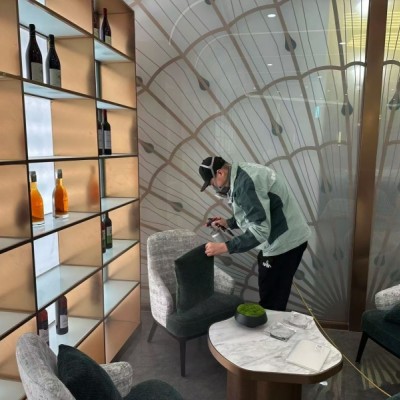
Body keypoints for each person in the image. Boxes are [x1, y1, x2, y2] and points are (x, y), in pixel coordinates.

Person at [198, 156, 311, 311]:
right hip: (284, 236)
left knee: (271, 301)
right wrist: (228, 222)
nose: (215, 188)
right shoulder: (242, 173)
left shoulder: (245, 184)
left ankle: (271, 322)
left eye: (212, 184)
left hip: (284, 243)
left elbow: (260, 230)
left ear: (220, 173)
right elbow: (255, 212)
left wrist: (224, 247)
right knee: (273, 291)